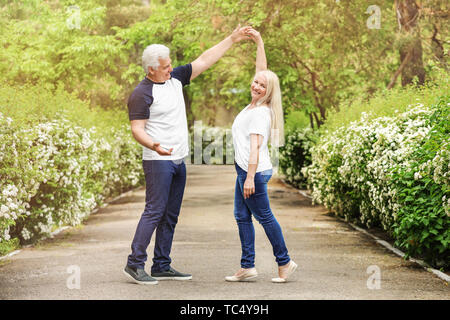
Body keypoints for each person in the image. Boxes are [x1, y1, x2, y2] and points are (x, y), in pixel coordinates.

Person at [124, 26, 250, 285]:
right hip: (158, 161)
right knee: (154, 211)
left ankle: (161, 264)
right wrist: (154, 145)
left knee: (170, 214)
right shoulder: (141, 93)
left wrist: (233, 38)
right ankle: (134, 263)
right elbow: (137, 129)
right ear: (151, 70)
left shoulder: (176, 79)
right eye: (165, 67)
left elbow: (205, 59)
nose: (171, 69)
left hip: (178, 160)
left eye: (170, 64)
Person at [226, 28, 297, 283]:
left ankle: (285, 261)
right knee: (242, 215)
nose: (256, 85)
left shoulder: (259, 112)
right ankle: (247, 266)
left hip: (251, 172)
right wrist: (258, 41)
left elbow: (255, 148)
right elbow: (263, 70)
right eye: (256, 82)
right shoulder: (256, 103)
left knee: (264, 217)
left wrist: (249, 178)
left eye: (262, 85)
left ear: (268, 91)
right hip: (245, 170)